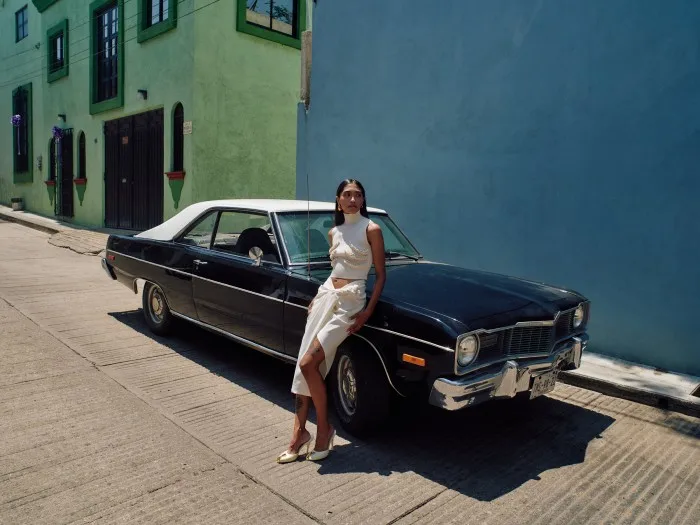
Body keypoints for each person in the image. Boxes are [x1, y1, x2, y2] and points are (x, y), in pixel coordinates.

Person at [276, 179, 386, 463]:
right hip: (326, 297)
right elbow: (336, 269)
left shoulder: (371, 229)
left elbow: (381, 276)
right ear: (338, 200)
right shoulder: (334, 231)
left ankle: (323, 430)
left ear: (363, 200)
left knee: (308, 363)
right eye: (347, 195)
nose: (352, 199)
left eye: (357, 195)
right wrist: (318, 294)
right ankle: (299, 433)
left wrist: (367, 312)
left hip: (350, 303)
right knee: (304, 365)